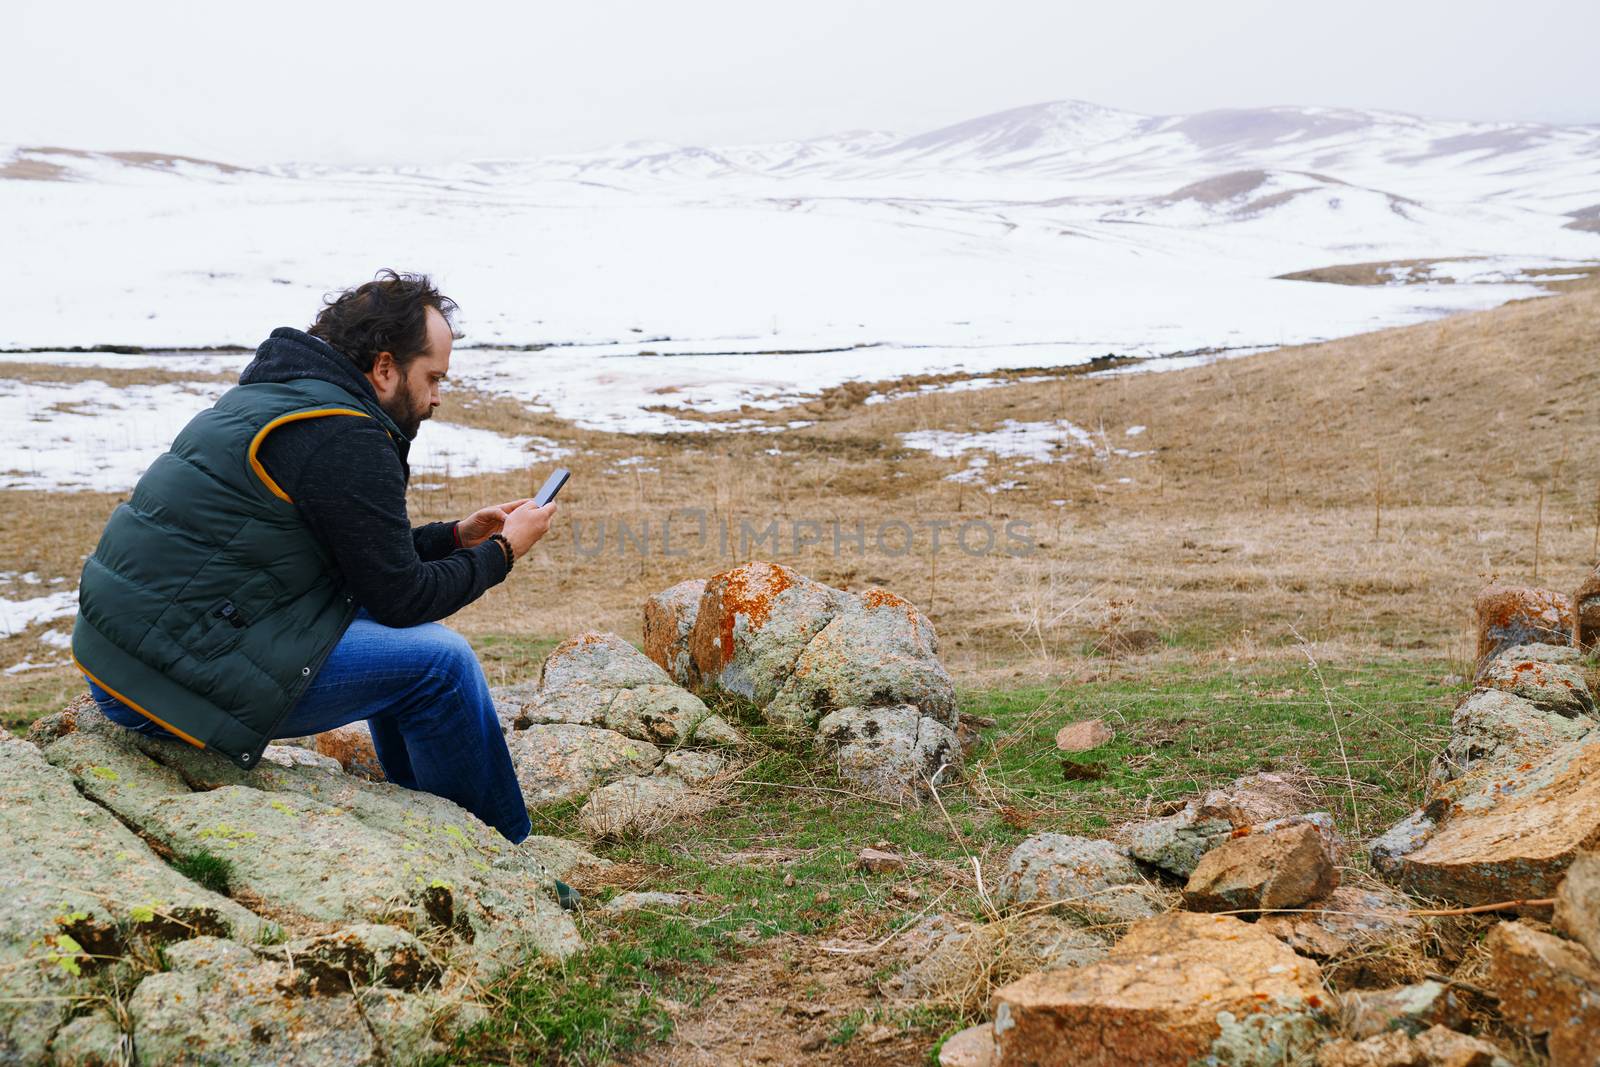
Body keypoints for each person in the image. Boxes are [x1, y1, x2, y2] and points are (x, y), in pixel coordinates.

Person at [71, 269, 554, 846]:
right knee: (440, 665)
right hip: (164, 684)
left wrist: (454, 537)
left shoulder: (279, 396)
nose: (435, 398)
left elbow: (362, 560)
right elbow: (403, 598)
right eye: (432, 378)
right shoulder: (342, 435)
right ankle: (509, 856)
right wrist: (504, 552)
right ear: (384, 368)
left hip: (138, 657)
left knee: (400, 641)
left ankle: (438, 828)